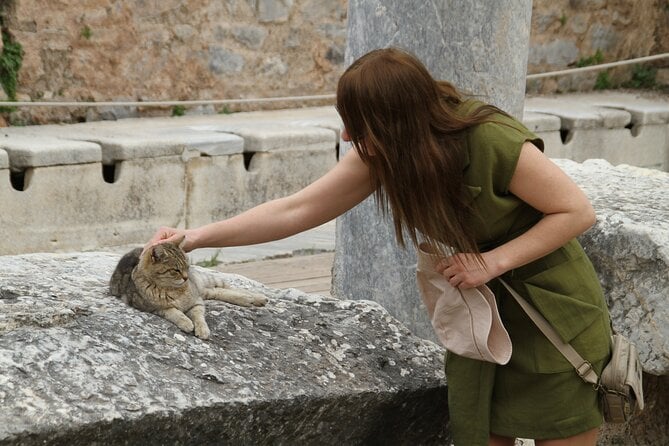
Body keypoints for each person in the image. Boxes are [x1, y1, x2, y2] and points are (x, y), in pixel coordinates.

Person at [146, 47, 612, 446]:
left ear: (395, 119)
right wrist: (196, 238)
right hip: (479, 318)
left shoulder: (491, 139)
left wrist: (493, 261)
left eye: (356, 123)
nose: (348, 136)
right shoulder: (385, 152)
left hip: (551, 314)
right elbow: (295, 211)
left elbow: (575, 211)